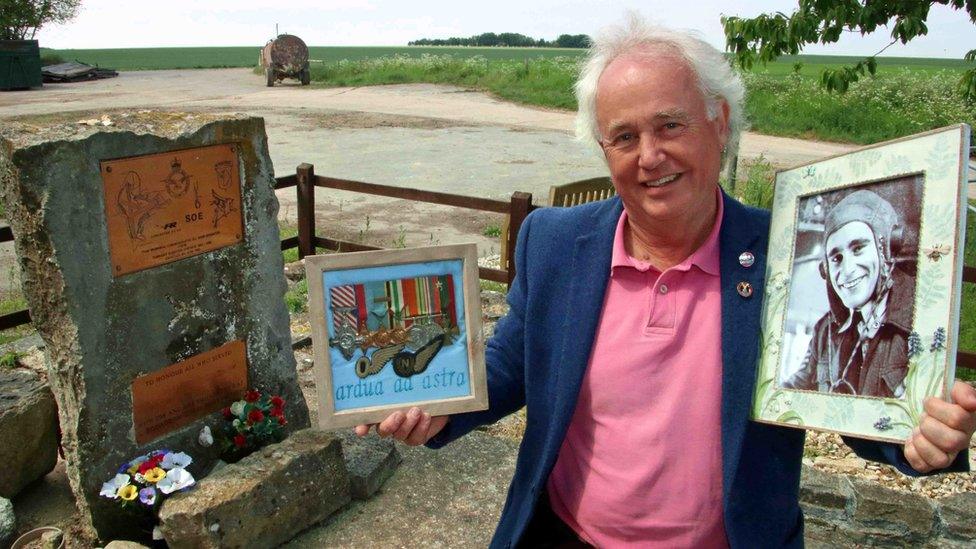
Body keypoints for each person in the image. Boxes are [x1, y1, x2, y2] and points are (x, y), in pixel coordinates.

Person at [357, 15, 976, 548]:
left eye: (670, 125)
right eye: (624, 137)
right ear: (604, 150)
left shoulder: (778, 257)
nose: (649, 156)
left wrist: (917, 438)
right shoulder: (553, 243)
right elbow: (514, 364)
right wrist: (439, 405)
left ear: (719, 122)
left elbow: (851, 393)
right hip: (568, 534)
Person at [784, 190, 911, 397]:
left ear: (886, 250)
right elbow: (798, 385)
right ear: (825, 270)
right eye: (836, 258)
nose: (847, 269)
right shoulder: (825, 330)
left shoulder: (915, 324)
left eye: (858, 248)